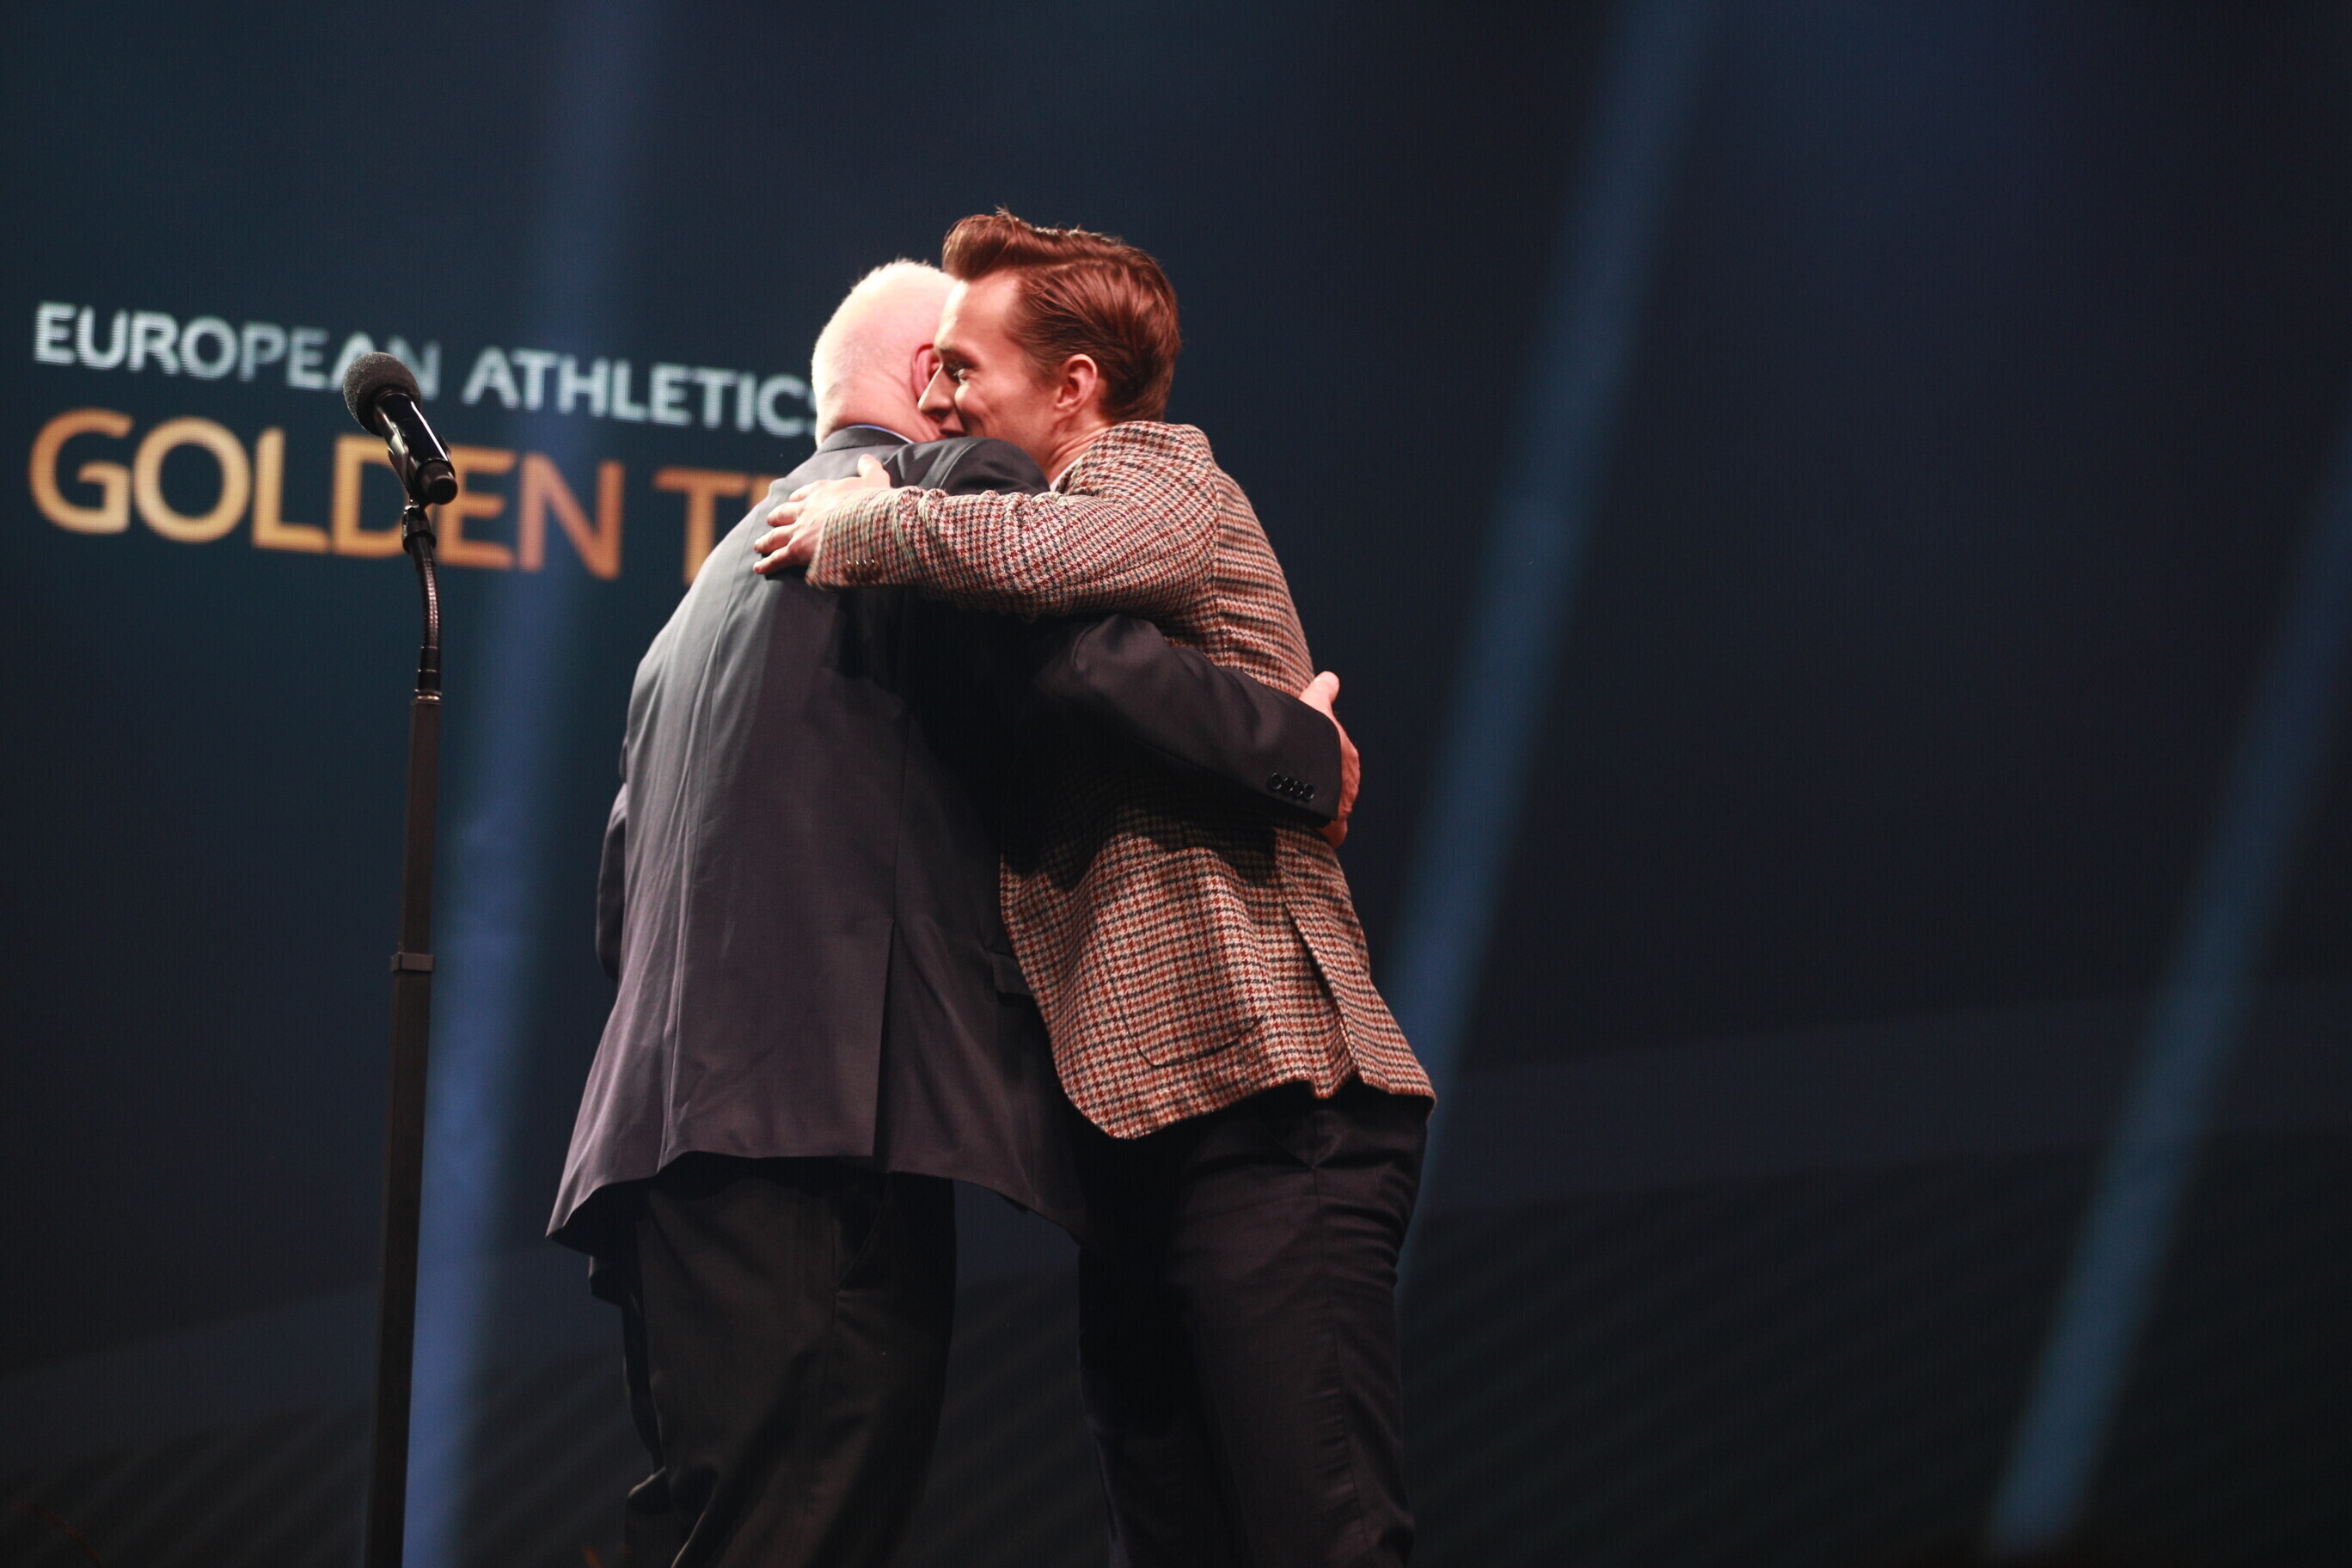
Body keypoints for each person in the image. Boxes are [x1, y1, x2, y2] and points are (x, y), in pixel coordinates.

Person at [550, 260, 1355, 1568]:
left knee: (716, 1531)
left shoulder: (695, 604)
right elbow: (1095, 668)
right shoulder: (938, 492)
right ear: (930, 375)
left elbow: (614, 909)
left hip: (654, 1159)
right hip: (821, 1136)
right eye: (967, 366)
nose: (977, 400)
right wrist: (1302, 750)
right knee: (807, 1530)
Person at [760, 216, 1435, 1568]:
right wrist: (1295, 749)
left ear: (1075, 387)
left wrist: (869, 518)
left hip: (1269, 1103)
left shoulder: (1158, 473)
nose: (940, 401)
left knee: (1318, 1535)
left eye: (964, 368)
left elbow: (1049, 557)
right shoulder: (1037, 553)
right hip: (1135, 1138)